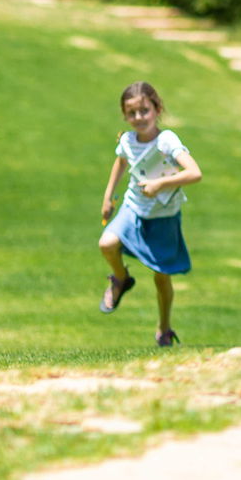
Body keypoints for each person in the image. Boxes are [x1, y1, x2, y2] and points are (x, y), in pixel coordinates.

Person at [98, 81, 202, 347]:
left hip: (164, 216)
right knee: (107, 243)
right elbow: (121, 161)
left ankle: (164, 328)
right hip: (133, 207)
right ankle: (121, 279)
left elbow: (194, 173)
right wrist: (108, 197)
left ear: (157, 109)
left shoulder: (166, 140)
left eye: (144, 110)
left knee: (161, 275)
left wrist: (160, 185)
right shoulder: (128, 140)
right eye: (131, 113)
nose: (138, 118)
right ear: (125, 116)